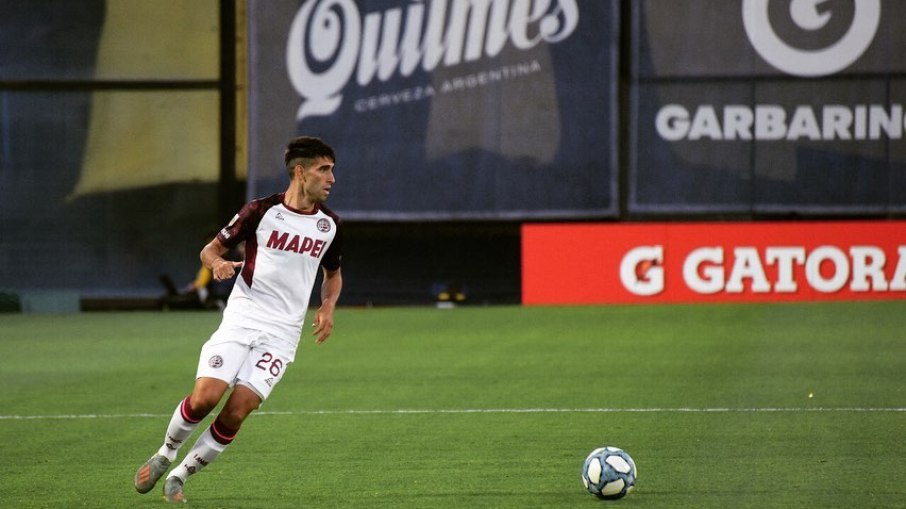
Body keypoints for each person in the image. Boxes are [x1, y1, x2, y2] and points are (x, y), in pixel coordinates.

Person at [133, 136, 343, 503]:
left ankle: (181, 475)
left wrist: (327, 306)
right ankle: (166, 453)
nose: (332, 178)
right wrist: (217, 265)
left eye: (332, 170)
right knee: (204, 399)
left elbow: (333, 274)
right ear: (299, 172)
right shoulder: (260, 211)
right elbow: (210, 250)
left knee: (237, 410)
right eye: (323, 169)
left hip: (282, 335)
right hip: (243, 319)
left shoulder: (330, 226)